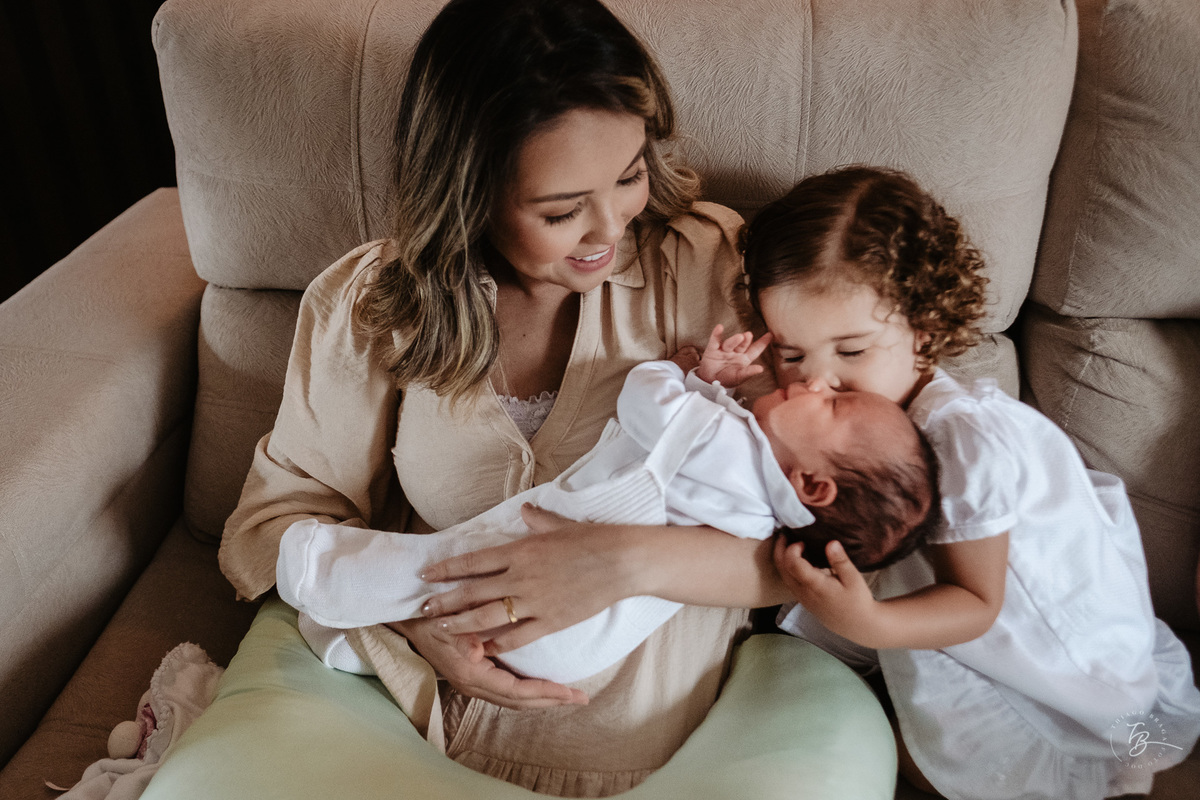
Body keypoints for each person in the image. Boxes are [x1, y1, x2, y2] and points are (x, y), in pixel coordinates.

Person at [220, 1, 795, 794]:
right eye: (560, 210)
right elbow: (271, 524)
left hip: (644, 761)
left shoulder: (712, 269)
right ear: (470, 193)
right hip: (401, 727)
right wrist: (421, 627)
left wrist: (623, 563)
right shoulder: (373, 304)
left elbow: (828, 535)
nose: (609, 230)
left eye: (628, 176)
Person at [739, 165, 1200, 799]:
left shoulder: (965, 439)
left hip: (1031, 639)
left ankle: (1116, 757)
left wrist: (869, 624)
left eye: (851, 352)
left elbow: (977, 603)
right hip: (949, 624)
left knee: (982, 760)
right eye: (793, 355)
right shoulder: (848, 424)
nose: (817, 382)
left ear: (923, 331)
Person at [277, 325, 939, 684]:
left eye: (833, 402)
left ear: (814, 488)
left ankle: (317, 570)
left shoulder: (728, 444)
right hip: (580, 652)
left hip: (551, 585)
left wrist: (689, 374)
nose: (815, 378)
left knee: (436, 567)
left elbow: (645, 402)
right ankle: (365, 650)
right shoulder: (764, 515)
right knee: (443, 593)